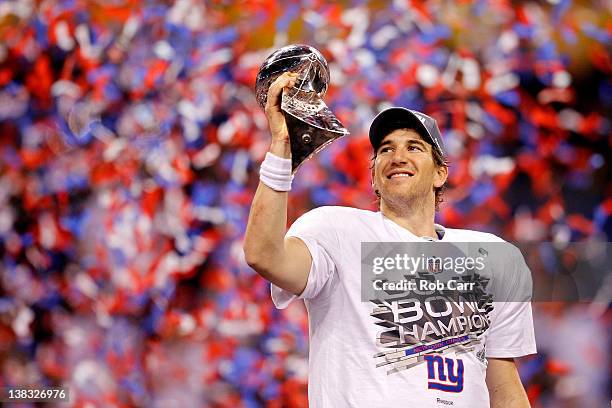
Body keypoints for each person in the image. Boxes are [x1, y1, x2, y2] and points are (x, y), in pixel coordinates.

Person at [244, 72, 536, 407]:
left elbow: (503, 380)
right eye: (385, 149)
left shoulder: (496, 259)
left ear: (440, 173)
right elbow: (263, 256)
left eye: (414, 147)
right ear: (374, 177)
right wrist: (282, 151)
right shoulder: (337, 231)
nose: (398, 156)